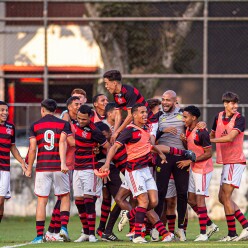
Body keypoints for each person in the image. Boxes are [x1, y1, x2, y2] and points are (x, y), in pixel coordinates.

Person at [100, 103, 196, 243]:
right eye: (142, 112)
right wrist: (107, 163)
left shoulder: (145, 129)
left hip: (145, 170)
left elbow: (152, 146)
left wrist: (166, 154)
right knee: (143, 201)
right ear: (134, 115)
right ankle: (139, 234)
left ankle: (133, 215)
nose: (145, 114)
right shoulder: (129, 130)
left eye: (146, 112)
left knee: (154, 201)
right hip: (134, 171)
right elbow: (114, 147)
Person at [25, 99, 72, 243]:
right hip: (59, 167)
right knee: (64, 196)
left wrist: (29, 168)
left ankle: (39, 236)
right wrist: (64, 163)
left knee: (42, 201)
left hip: (42, 168)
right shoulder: (64, 124)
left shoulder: (35, 125)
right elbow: (63, 143)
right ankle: (63, 228)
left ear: (42, 109)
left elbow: (33, 149)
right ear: (56, 110)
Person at [210, 92, 248, 241]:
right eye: (232, 103)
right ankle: (244, 226)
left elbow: (230, 137)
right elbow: (212, 135)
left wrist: (209, 140)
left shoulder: (240, 118)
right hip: (226, 161)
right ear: (225, 104)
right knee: (222, 197)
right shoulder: (217, 117)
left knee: (225, 197)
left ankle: (233, 233)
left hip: (235, 161)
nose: (235, 106)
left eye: (236, 103)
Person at [178, 105, 218, 241]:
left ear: (194, 118)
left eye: (185, 117)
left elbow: (208, 153)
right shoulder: (188, 129)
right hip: (194, 168)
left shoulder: (202, 132)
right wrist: (184, 141)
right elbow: (190, 149)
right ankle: (210, 225)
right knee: (191, 199)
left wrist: (190, 161)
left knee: (200, 200)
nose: (183, 119)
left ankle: (203, 234)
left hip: (203, 169)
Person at [154, 90, 190, 241]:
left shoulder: (183, 114)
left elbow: (193, 133)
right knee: (160, 193)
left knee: (182, 193)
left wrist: (186, 140)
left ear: (175, 101)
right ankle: (156, 229)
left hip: (180, 157)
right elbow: (150, 137)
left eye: (168, 100)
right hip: (163, 158)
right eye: (163, 99)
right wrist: (163, 130)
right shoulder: (157, 117)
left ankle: (181, 229)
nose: (164, 102)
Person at [73, 105, 111, 243]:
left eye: (83, 119)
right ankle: (85, 232)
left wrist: (106, 164)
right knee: (78, 201)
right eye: (79, 118)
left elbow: (108, 147)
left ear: (90, 117)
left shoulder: (95, 131)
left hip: (89, 168)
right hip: (76, 168)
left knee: (89, 200)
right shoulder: (76, 125)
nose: (81, 121)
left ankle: (92, 235)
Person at [45, 96, 80, 241]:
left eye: (81, 103)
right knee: (63, 197)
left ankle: (52, 231)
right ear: (69, 106)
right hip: (64, 164)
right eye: (77, 104)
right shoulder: (65, 118)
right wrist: (88, 141)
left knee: (63, 198)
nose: (79, 106)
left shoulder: (76, 120)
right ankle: (54, 231)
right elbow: (69, 141)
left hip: (70, 163)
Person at [103, 70, 157, 143]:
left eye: (106, 83)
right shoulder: (115, 94)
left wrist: (117, 132)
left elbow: (130, 116)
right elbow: (118, 116)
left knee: (150, 146)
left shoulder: (129, 92)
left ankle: (168, 152)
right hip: (137, 123)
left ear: (114, 83)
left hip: (149, 122)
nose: (106, 86)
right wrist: (114, 133)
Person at [0, 101, 26, 224]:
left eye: (6, 110)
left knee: (1, 202)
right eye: (2, 110)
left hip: (5, 169)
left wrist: (22, 162)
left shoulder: (10, 127)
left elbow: (13, 147)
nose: (5, 112)